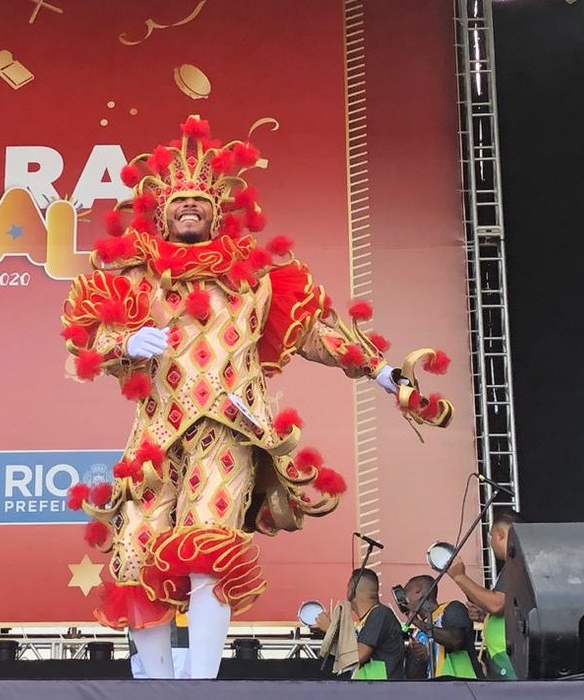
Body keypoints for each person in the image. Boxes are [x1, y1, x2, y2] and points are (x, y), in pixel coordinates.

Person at [61, 115, 452, 678]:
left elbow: (319, 332)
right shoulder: (136, 274)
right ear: (162, 211)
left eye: (200, 200)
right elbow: (85, 340)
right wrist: (126, 337)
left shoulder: (259, 276)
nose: (189, 207)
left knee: (208, 550)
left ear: (217, 211)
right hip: (155, 436)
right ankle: (157, 689)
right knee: (134, 557)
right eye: (179, 202)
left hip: (229, 428)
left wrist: (384, 372)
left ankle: (200, 685)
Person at [445, 508, 523, 679]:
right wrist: (484, 616)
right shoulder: (517, 565)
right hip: (506, 653)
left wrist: (459, 577)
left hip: (509, 655)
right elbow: (509, 607)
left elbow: (497, 604)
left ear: (500, 534)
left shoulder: (515, 564)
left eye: (491, 537)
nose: (490, 543)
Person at [315, 568, 406, 680]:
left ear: (351, 591)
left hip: (382, 690)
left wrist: (331, 630)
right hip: (367, 688)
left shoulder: (380, 614)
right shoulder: (364, 620)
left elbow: (359, 655)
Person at [403, 575, 482, 679]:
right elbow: (413, 677)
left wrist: (418, 622)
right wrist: (421, 657)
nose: (404, 599)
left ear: (419, 592)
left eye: (406, 593)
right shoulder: (417, 634)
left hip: (464, 685)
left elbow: (456, 640)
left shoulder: (452, 608)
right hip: (436, 690)